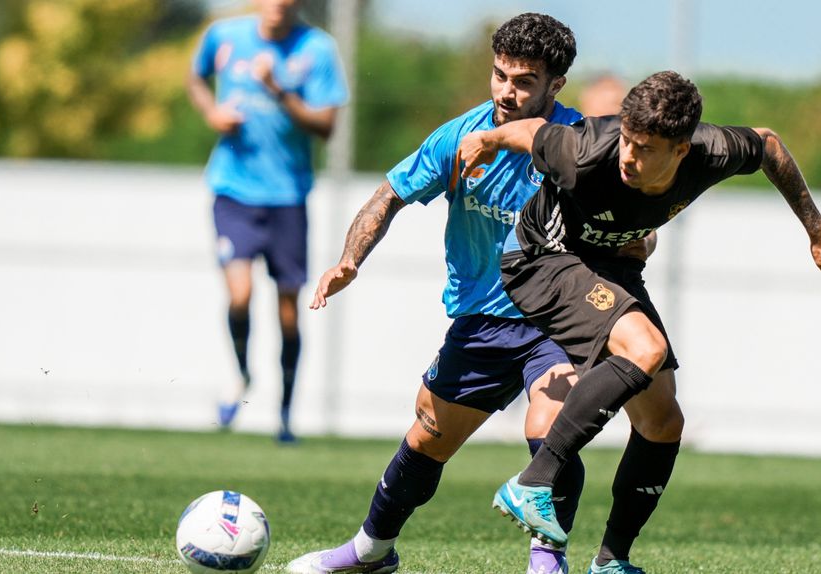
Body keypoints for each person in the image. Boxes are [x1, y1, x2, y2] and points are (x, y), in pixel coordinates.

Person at [455, 71, 821, 573]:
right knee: (644, 349)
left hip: (612, 266)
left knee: (664, 421)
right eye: (627, 139)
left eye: (645, 148)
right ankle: (533, 482)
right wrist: (486, 139)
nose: (628, 156)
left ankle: (611, 561)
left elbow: (770, 146)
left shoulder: (713, 151)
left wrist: (818, 231)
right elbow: (531, 131)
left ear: (681, 150)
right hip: (541, 258)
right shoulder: (585, 150)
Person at [285, 13, 620, 574]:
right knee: (427, 440)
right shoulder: (459, 138)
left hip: (557, 319)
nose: (507, 92)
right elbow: (389, 195)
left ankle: (547, 561)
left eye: (524, 82)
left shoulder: (581, 144)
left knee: (549, 429)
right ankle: (370, 551)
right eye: (500, 75)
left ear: (556, 84)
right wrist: (349, 260)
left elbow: (630, 222)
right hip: (481, 319)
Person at [187, 0, 348, 443]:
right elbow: (195, 77)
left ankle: (285, 415)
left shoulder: (317, 49)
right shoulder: (224, 35)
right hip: (233, 190)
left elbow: (326, 125)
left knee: (289, 313)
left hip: (287, 196)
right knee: (240, 295)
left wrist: (278, 90)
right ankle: (242, 375)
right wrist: (212, 112)